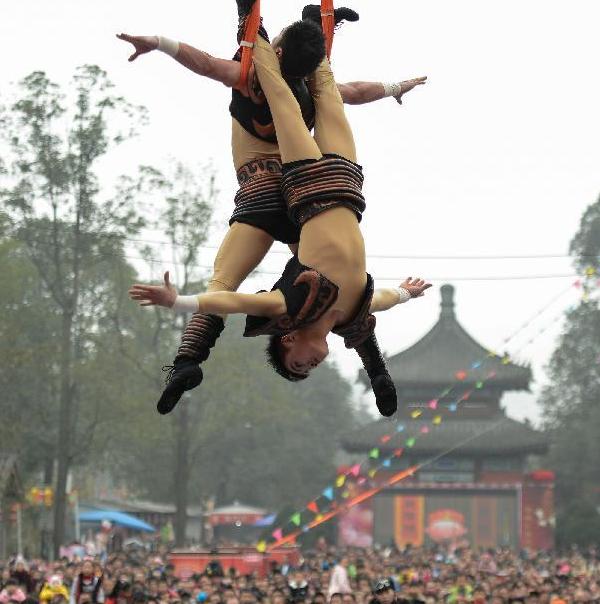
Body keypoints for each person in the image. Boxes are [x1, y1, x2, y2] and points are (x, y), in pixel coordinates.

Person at [120, 1, 427, 415]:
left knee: (226, 284)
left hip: (291, 191)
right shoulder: (273, 76)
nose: (311, 363)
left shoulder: (277, 79)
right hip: (301, 190)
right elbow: (216, 65)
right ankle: (188, 361)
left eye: (299, 364)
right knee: (345, 304)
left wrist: (393, 88)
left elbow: (341, 90)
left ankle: (189, 360)